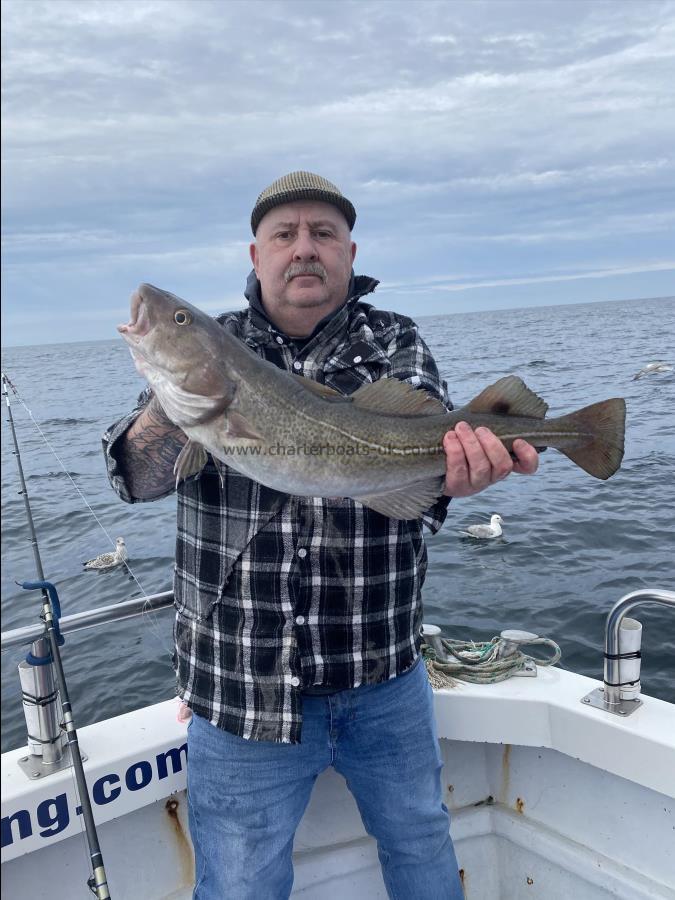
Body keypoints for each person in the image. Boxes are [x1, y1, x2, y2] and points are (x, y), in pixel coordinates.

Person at [103, 171, 539, 899]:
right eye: (284, 235)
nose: (303, 249)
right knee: (238, 884)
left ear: (348, 250)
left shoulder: (394, 340)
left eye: (322, 234)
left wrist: (457, 477)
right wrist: (171, 399)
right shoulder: (221, 345)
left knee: (423, 852)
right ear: (255, 254)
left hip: (384, 677)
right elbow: (135, 479)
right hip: (240, 689)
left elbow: (417, 487)